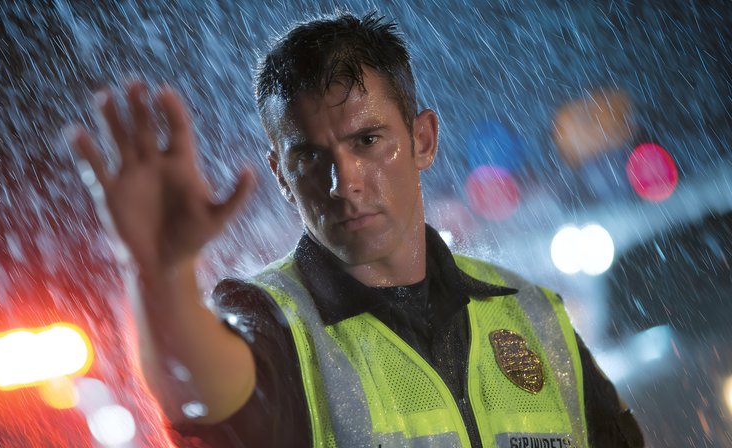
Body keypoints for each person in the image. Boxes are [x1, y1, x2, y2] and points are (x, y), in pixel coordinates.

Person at [71, 12, 644, 448]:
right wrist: (159, 272)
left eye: (367, 141)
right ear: (280, 174)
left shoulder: (534, 314)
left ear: (423, 140)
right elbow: (197, 392)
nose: (343, 181)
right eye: (309, 157)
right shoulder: (273, 322)